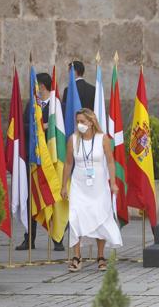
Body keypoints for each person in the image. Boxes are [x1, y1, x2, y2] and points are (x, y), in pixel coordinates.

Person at [60, 108, 121, 272]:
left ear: (91, 122)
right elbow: (68, 163)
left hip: (99, 186)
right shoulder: (73, 139)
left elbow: (110, 162)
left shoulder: (103, 139)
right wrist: (63, 185)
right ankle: (77, 256)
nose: (80, 124)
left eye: (82, 121)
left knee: (100, 217)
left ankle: (100, 257)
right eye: (77, 121)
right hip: (79, 185)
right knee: (75, 217)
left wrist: (113, 183)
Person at [17, 73, 65, 251]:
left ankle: (57, 239)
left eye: (36, 86)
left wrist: (48, 126)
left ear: (42, 87)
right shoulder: (32, 104)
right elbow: (23, 126)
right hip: (35, 160)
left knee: (52, 197)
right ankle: (29, 239)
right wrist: (38, 126)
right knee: (32, 200)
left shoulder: (57, 105)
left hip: (52, 160)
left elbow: (62, 129)